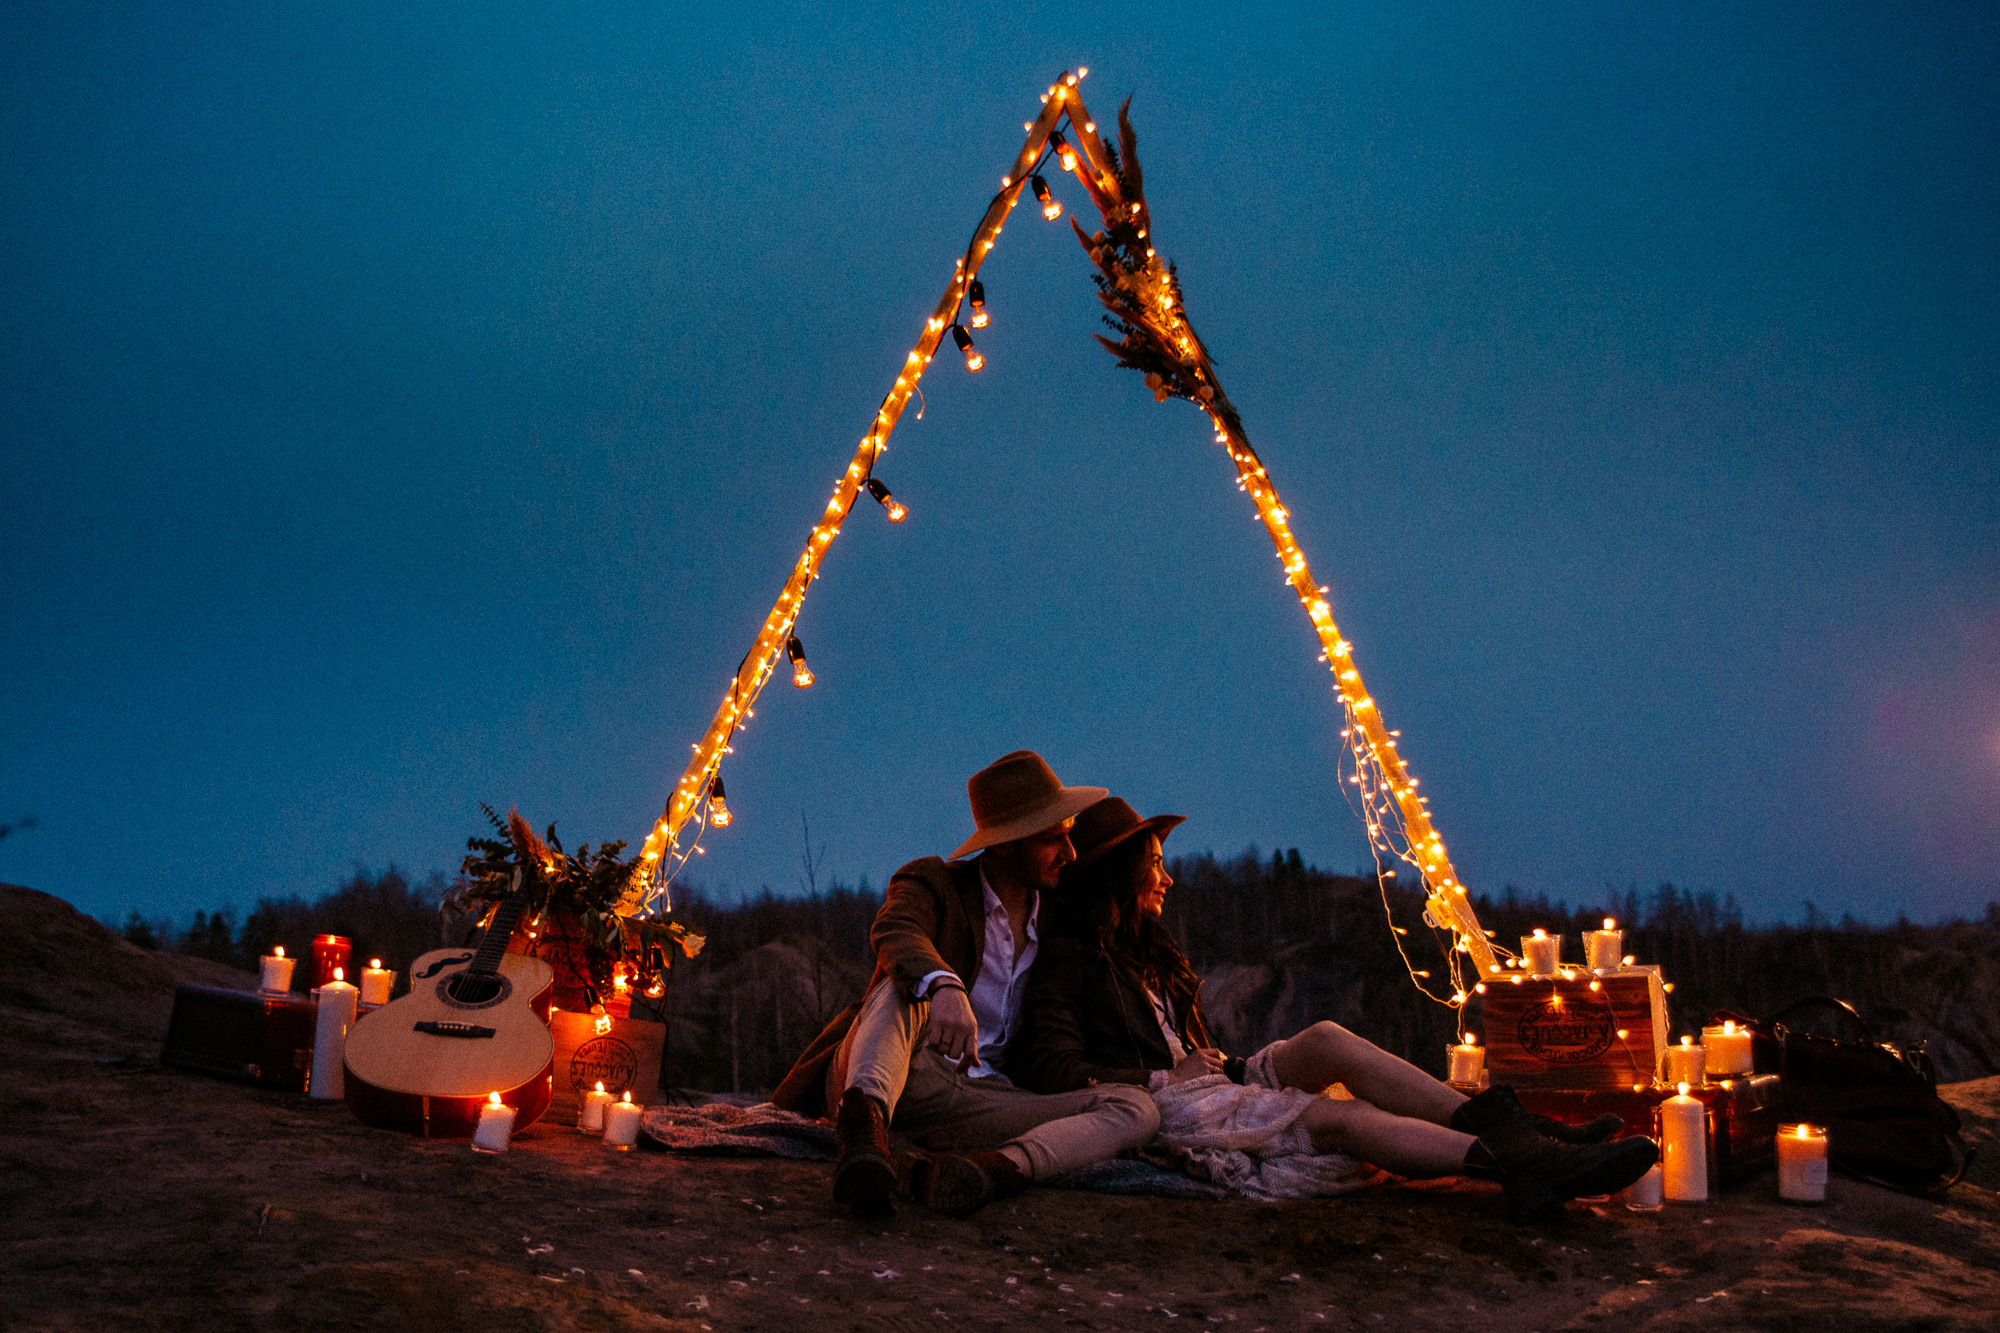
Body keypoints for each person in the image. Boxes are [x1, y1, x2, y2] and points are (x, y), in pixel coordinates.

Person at [1020, 797, 1657, 1220]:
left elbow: (1183, 1047)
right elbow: (1053, 1070)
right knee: (1336, 1119)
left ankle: (1526, 1132)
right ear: (1118, 877)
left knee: (1325, 1038)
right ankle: (1521, 1167)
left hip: (1208, 1083)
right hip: (1166, 1106)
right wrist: (1163, 1080)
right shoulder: (1069, 958)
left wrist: (1213, 1065)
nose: (1168, 879)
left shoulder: (1146, 951)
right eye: (1155, 866)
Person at [771, 751, 1160, 1217]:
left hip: (981, 1099)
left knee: (1137, 1109)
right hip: (893, 1068)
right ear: (1003, 844)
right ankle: (863, 1137)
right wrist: (944, 986)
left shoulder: (1058, 919)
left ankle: (986, 1171)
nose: (1069, 853)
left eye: (1070, 836)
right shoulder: (936, 881)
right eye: (1052, 839)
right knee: (904, 988)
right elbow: (896, 929)